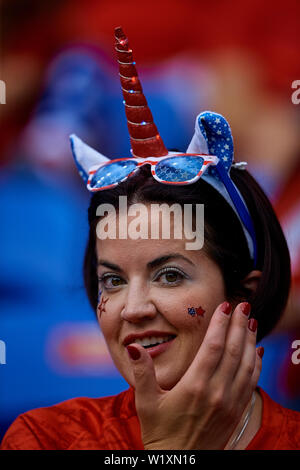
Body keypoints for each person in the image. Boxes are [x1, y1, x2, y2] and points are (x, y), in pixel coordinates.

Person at [1, 27, 300, 451]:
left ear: (242, 298)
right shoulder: (45, 438)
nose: (134, 310)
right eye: (113, 281)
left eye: (170, 275)